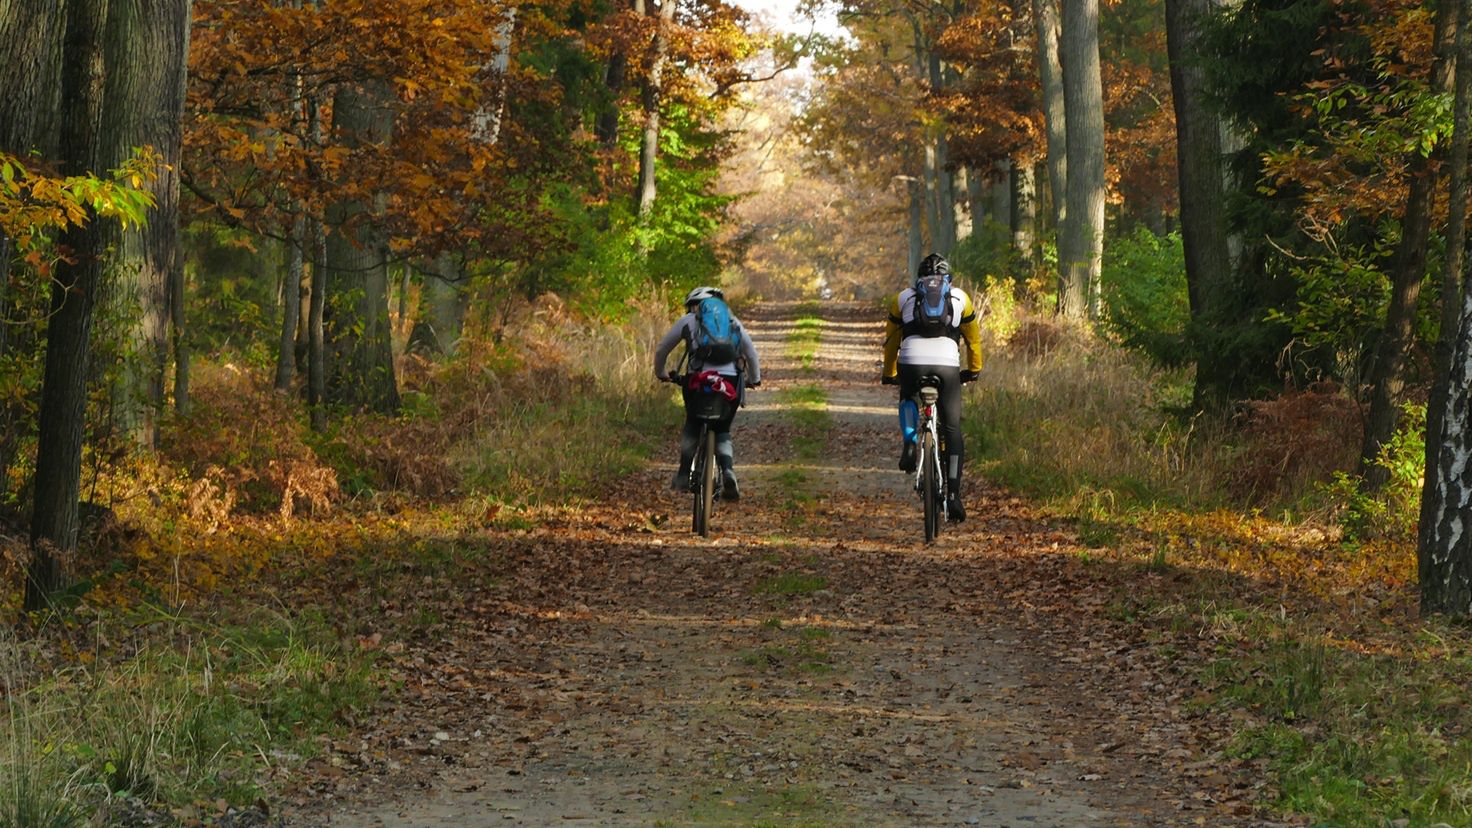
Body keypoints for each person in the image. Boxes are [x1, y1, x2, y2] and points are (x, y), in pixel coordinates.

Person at [881, 254, 982, 522]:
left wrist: (889, 373)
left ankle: (911, 441)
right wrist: (974, 369)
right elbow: (973, 341)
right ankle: (954, 495)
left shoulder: (903, 298)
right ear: (949, 279)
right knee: (952, 427)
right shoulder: (961, 298)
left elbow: (891, 342)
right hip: (947, 365)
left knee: (907, 396)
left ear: (918, 278)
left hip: (911, 362)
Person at [654, 286, 761, 499]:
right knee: (722, 428)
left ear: (694, 305)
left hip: (699, 381)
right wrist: (754, 379)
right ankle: (728, 470)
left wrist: (661, 373)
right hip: (729, 382)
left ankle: (684, 474)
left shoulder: (687, 321)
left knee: (693, 423)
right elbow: (751, 353)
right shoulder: (732, 322)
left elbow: (662, 349)